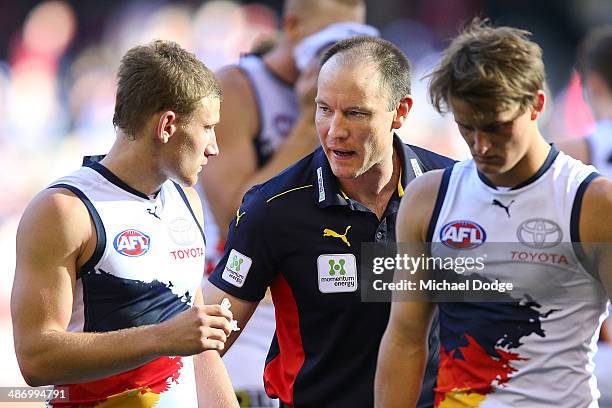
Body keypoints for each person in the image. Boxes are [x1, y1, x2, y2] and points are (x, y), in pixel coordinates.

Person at [203, 36, 454, 408]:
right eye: (324, 109)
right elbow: (202, 342)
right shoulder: (272, 208)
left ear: (401, 112)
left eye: (355, 113)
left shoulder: (453, 189)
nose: (335, 130)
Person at [375, 20, 612, 407]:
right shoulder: (427, 199)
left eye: (497, 127)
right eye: (467, 128)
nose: (481, 146)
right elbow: (404, 339)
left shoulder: (593, 203)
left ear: (536, 103)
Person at [11, 40, 238, 407]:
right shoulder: (65, 209)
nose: (214, 147)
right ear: (167, 125)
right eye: (207, 127)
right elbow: (36, 360)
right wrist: (163, 337)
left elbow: (198, 344)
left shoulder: (186, 200)